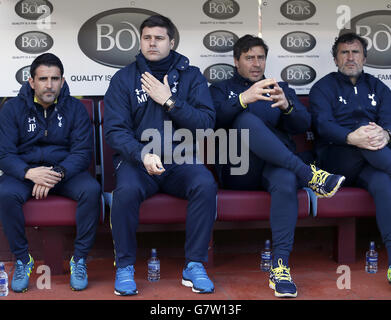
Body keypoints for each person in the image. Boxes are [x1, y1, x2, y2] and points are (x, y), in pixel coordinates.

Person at [209, 34, 345, 298]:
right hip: (239, 170)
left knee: (284, 178)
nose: (256, 63)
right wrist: (242, 99)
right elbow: (211, 122)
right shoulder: (220, 89)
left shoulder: (277, 86)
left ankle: (280, 266)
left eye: (260, 57)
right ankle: (308, 174)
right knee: (244, 122)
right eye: (249, 57)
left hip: (276, 167)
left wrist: (287, 108)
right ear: (236, 61)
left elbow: (304, 125)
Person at [104, 15, 217, 296]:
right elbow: (115, 131)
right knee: (125, 191)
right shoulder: (124, 79)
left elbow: (206, 123)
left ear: (172, 42)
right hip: (138, 162)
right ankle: (125, 267)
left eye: (159, 38)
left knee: (205, 184)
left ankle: (194, 264)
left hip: (180, 160)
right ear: (140, 41)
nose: (152, 43)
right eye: (147, 38)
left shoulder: (191, 76)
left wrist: (169, 101)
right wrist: (142, 154)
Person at [0, 53, 101, 292]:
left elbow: (82, 152)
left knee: (91, 190)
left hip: (65, 171)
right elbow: (4, 154)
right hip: (26, 172)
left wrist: (56, 173)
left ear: (62, 81)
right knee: (4, 193)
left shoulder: (75, 108)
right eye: (43, 78)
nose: (49, 84)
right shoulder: (12, 108)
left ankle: (80, 259)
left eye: (55, 78)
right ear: (31, 81)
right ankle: (23, 259)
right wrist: (29, 173)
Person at [309, 32, 391, 284]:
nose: (350, 57)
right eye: (344, 53)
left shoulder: (378, 87)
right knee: (368, 142)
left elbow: (389, 120)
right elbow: (322, 126)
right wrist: (351, 137)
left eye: (355, 52)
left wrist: (386, 134)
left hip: (371, 162)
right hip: (336, 158)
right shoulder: (323, 87)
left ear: (365, 57)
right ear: (335, 59)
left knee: (383, 184)